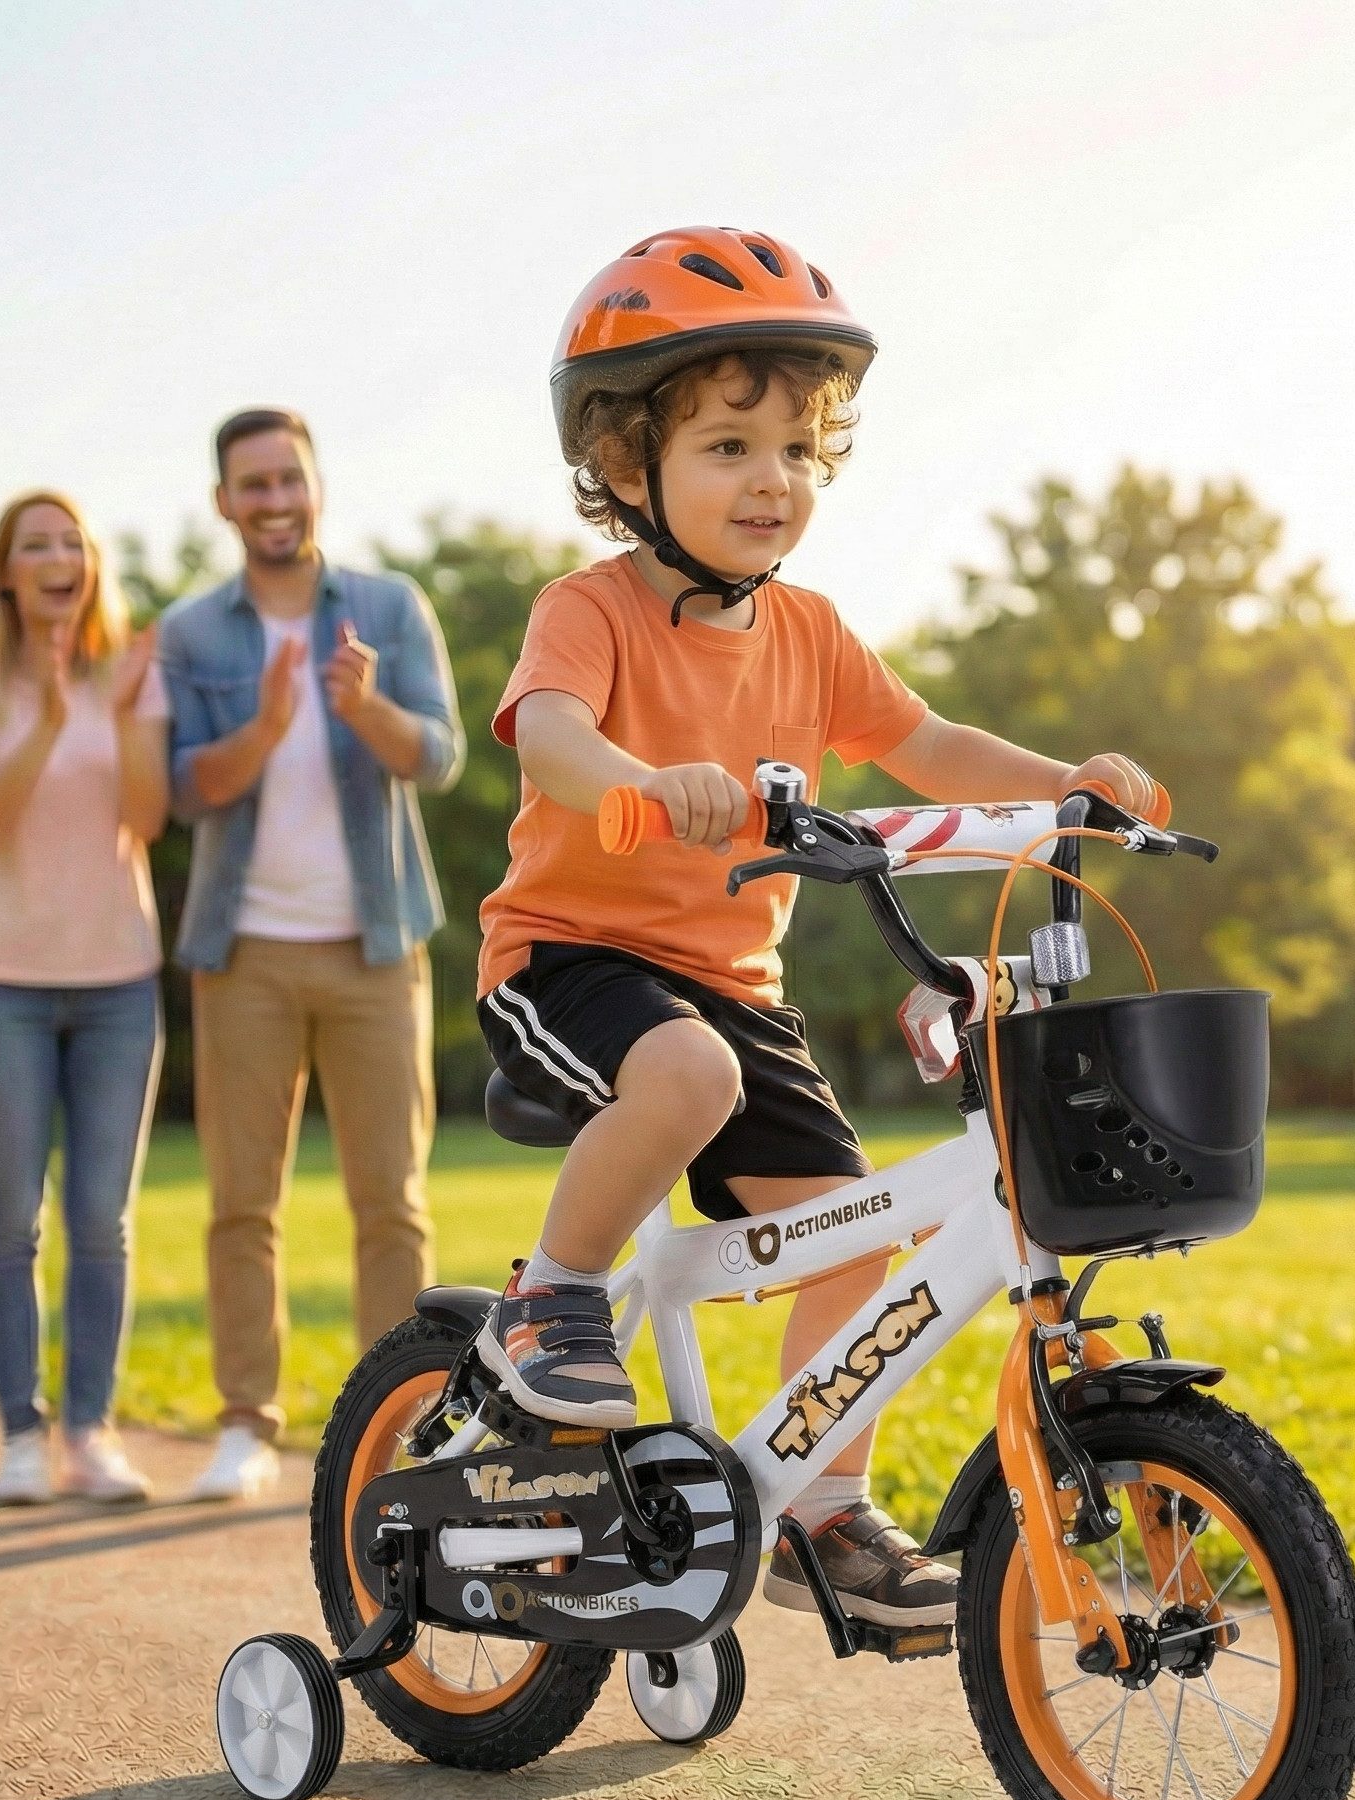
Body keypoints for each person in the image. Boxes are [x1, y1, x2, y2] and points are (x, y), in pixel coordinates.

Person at [474, 228, 1167, 1630]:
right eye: (728, 445)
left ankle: (822, 1511)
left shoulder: (810, 634)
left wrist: (1065, 789)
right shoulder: (590, 611)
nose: (770, 479)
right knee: (689, 1078)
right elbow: (547, 734)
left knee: (854, 1243)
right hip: (571, 956)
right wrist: (638, 785)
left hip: (731, 983)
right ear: (625, 469)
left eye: (794, 447)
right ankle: (548, 1300)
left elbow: (923, 742)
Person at [162, 409, 464, 1501]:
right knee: (243, 1201)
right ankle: (247, 1420)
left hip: (374, 948)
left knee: (391, 1198)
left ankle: (392, 1433)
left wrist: (360, 707)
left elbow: (436, 753)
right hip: (242, 953)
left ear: (316, 485)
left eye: (288, 477)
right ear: (224, 502)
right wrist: (270, 720)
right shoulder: (192, 632)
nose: (273, 498)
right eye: (251, 484)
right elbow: (184, 787)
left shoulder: (387, 606)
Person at [0, 490, 168, 1507]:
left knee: (101, 1222)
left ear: (89, 565)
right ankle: (22, 1433)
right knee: (10, 1223)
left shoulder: (130, 677)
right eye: (36, 545)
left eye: (71, 541)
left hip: (119, 984)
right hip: (0, 987)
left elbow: (150, 817)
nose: (56, 557)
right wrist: (54, 720)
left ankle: (92, 1430)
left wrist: (117, 713)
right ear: (6, 573)